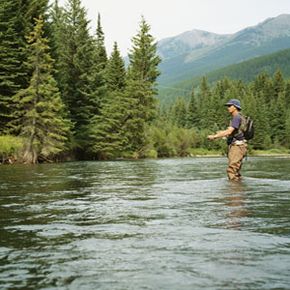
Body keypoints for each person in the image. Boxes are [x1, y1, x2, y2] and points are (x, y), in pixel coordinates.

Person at [207, 99, 247, 181]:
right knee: (236, 171)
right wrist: (221, 133)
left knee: (232, 171)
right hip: (240, 146)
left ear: (235, 107)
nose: (228, 108)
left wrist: (214, 136)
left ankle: (233, 192)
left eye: (229, 106)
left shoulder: (236, 117)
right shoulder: (240, 117)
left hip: (237, 147)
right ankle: (238, 190)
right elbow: (232, 132)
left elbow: (229, 131)